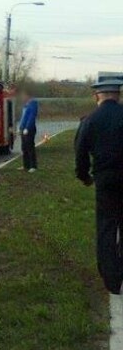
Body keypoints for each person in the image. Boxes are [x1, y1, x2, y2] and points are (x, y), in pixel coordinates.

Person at [74, 80, 123, 294]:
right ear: (118, 95)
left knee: (106, 227)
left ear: (97, 96)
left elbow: (80, 151)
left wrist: (84, 176)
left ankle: (112, 281)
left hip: (105, 180)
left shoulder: (90, 120)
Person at [18, 89, 39, 172]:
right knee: (24, 147)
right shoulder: (26, 105)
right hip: (23, 128)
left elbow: (31, 117)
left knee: (30, 147)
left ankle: (33, 166)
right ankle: (26, 165)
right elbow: (23, 118)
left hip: (29, 129)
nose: (22, 97)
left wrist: (27, 128)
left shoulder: (33, 104)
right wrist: (20, 128)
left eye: (24, 95)